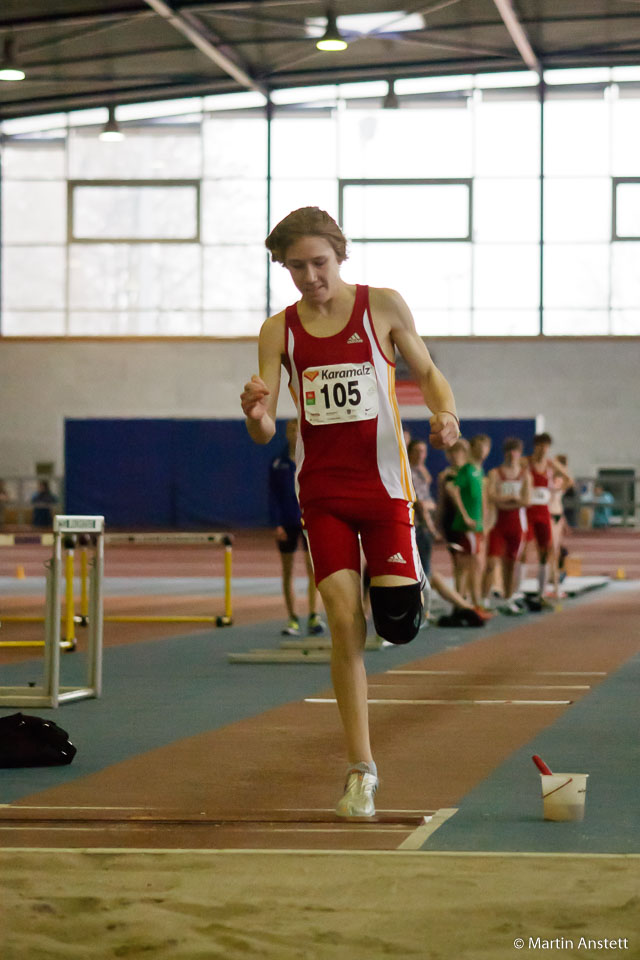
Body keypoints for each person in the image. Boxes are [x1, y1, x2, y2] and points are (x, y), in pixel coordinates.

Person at [241, 206, 459, 818]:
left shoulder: (382, 305)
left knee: (396, 625)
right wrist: (257, 413)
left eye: (319, 263)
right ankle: (361, 769)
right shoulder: (277, 330)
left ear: (340, 256)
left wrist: (444, 415)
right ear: (282, 268)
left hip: (385, 487)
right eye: (296, 267)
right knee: (342, 622)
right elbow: (263, 429)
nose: (310, 277)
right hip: (324, 493)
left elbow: (429, 372)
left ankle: (402, 578)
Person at [270, 418, 326, 637]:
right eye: (290, 429)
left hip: (309, 521)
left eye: (297, 428)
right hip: (286, 523)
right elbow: (272, 496)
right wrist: (276, 523)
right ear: (286, 433)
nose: (294, 432)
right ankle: (292, 618)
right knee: (288, 571)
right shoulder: (277, 462)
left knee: (314, 569)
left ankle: (314, 615)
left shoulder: (312, 457)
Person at [484, 437, 530, 614]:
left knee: (511, 563)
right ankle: (484, 598)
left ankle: (508, 597)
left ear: (520, 454)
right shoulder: (496, 473)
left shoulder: (525, 475)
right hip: (498, 523)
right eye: (509, 451)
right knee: (491, 561)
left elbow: (526, 500)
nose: (512, 455)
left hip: (517, 524)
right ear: (505, 453)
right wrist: (512, 499)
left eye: (516, 451)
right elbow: (491, 497)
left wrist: (505, 501)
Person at [525, 433, 571, 607]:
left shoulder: (550, 465)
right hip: (529, 509)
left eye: (546, 447)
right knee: (523, 550)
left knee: (548, 550)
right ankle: (515, 593)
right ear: (535, 446)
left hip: (546, 510)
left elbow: (568, 479)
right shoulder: (526, 462)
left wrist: (554, 489)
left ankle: (542, 592)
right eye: (540, 446)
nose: (543, 450)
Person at [445, 438, 487, 613]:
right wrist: (466, 516)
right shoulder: (461, 472)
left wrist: (483, 520)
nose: (459, 455)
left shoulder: (475, 470)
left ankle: (466, 602)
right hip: (464, 525)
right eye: (456, 452)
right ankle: (468, 603)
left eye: (462, 451)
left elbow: (481, 498)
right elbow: (451, 490)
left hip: (474, 525)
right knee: (468, 565)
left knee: (470, 564)